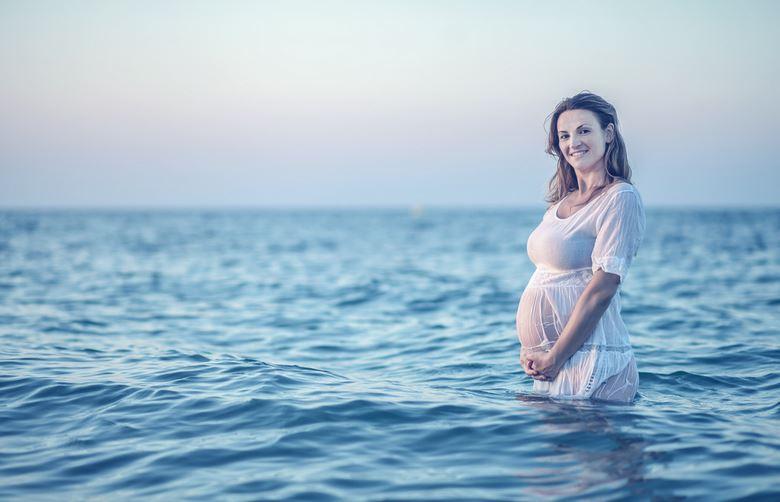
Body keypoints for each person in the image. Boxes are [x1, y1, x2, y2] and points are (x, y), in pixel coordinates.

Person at [516, 91, 646, 403]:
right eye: (564, 135)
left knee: (595, 452)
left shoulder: (620, 197)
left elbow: (604, 287)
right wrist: (533, 350)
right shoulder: (560, 203)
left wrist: (556, 356)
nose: (573, 142)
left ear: (609, 134)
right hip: (554, 364)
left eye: (584, 130)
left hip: (595, 362)